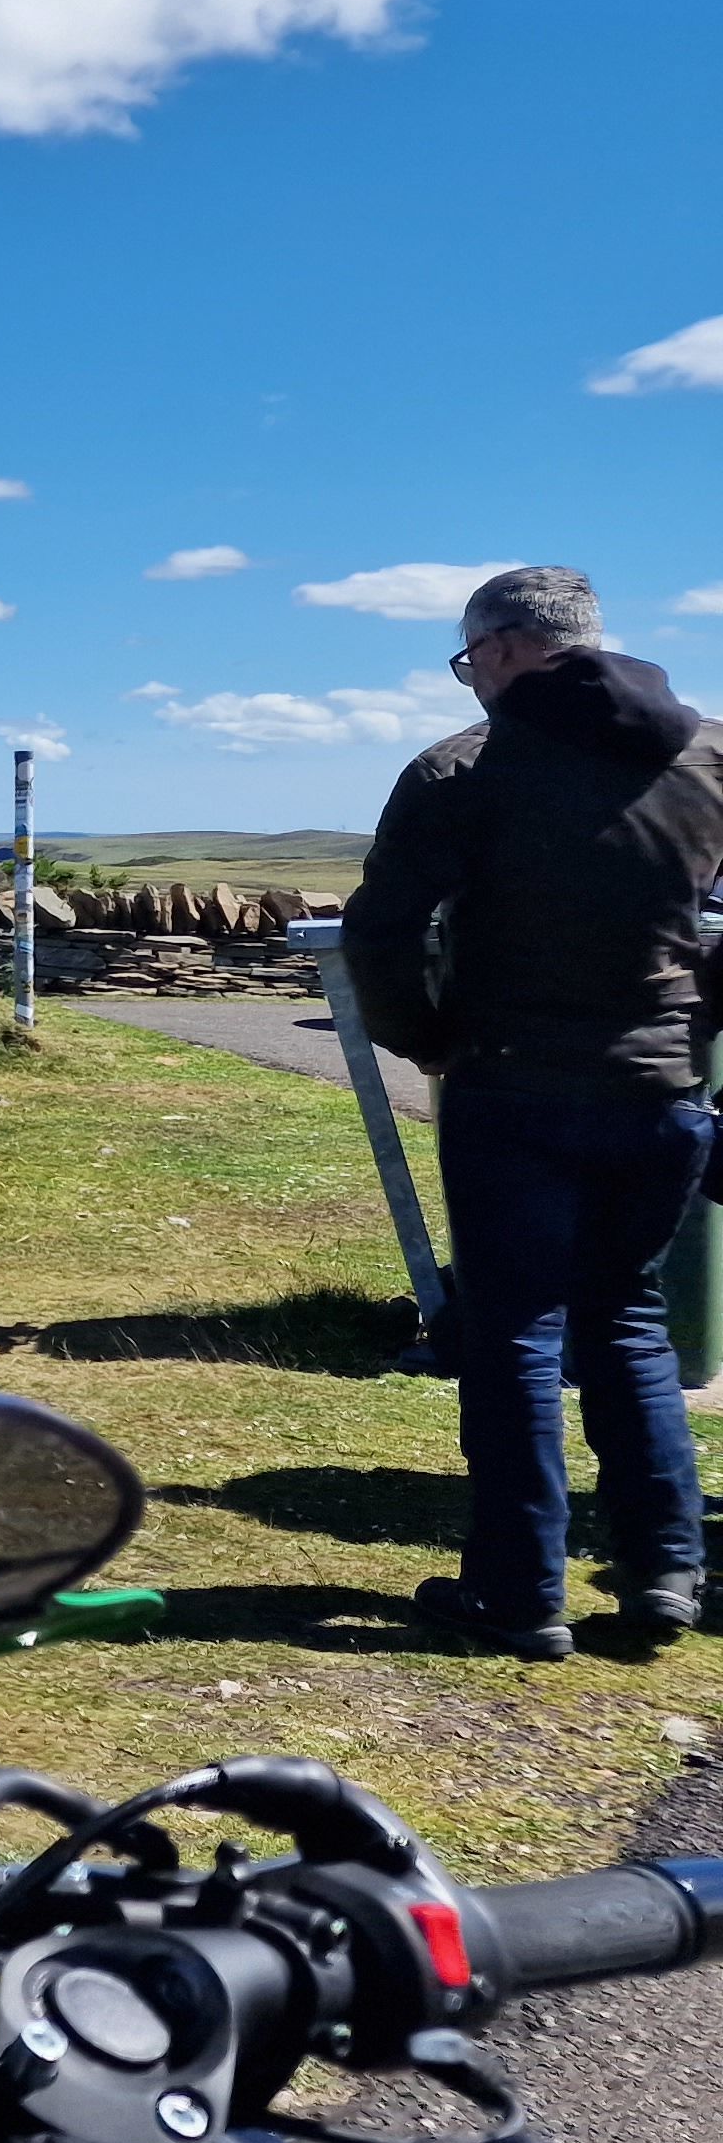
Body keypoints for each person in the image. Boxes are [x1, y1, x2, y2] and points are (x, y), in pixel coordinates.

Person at [341, 565, 723, 1661]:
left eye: (470, 659)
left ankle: (517, 1592)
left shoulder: (461, 767)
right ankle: (661, 1574)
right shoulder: (704, 755)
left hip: (509, 1087)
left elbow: (379, 932)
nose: (470, 682)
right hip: (659, 1093)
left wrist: (428, 1037)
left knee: (515, 1331)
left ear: (507, 646)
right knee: (628, 1318)